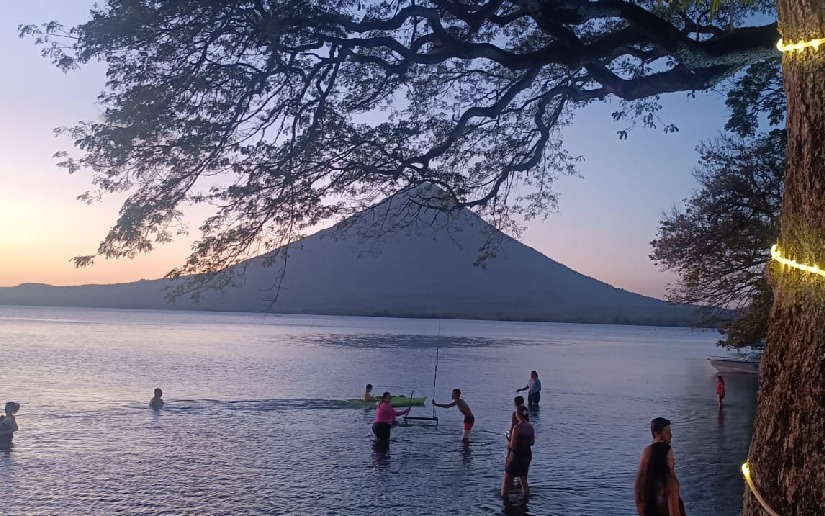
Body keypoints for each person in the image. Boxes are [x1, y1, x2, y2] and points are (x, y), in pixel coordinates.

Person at [635, 417, 675, 514]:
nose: (671, 435)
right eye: (667, 432)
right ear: (657, 434)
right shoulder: (664, 454)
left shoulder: (645, 452)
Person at [637, 442, 685, 516]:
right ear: (662, 460)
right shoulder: (669, 482)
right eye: (671, 457)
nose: (674, 460)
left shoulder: (642, 482)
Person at [501, 405, 535, 499]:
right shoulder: (530, 426)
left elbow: (513, 445)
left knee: (506, 480)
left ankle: (504, 502)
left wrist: (507, 440)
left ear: (518, 415)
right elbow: (532, 442)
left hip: (516, 456)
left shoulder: (517, 428)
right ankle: (526, 500)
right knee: (523, 480)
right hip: (527, 455)